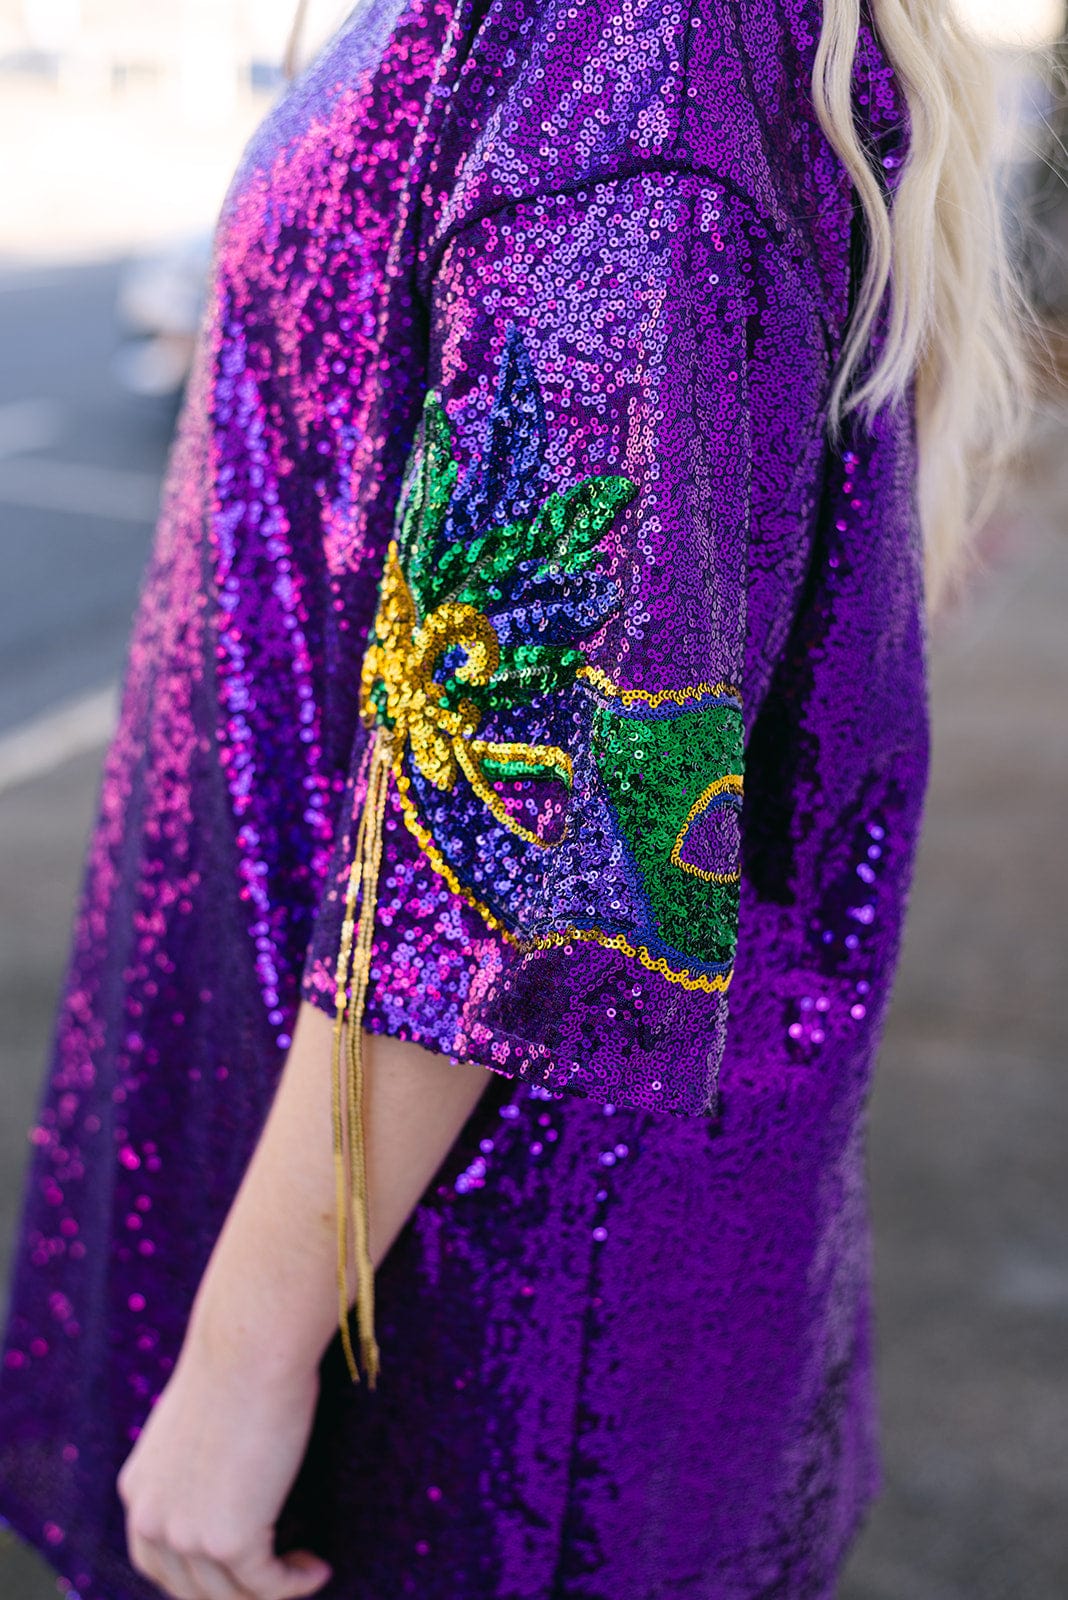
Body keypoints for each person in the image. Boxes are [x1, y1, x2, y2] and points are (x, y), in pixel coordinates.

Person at [0, 0, 1034, 1596]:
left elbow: (530, 802)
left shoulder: (634, 40)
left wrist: (242, 1353)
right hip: (486, 1263)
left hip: (474, 1330)